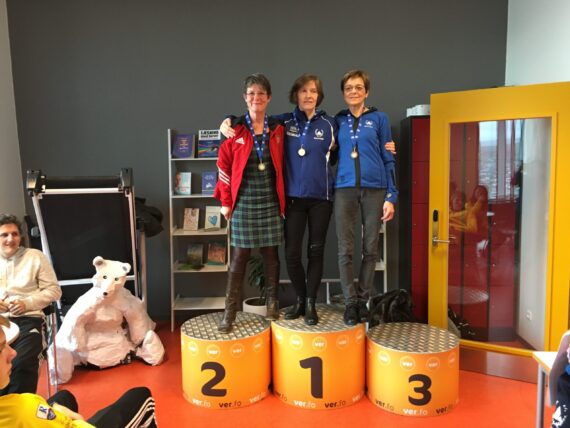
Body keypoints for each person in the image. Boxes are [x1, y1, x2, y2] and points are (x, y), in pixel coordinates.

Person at [214, 73, 286, 333]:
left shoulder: (278, 128)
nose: (256, 98)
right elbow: (223, 166)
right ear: (245, 98)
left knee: (271, 255)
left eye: (261, 93)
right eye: (252, 93)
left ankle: (272, 305)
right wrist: (226, 202)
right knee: (239, 257)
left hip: (270, 200)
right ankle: (229, 312)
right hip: (243, 202)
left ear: (269, 98)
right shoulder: (233, 129)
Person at [0, 315, 157, 427]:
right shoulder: (23, 410)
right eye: (1, 348)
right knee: (141, 396)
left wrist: (53, 410)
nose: (13, 353)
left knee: (64, 397)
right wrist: (74, 420)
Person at [334, 70, 398, 326]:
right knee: (345, 249)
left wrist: (392, 195)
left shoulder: (380, 119)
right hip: (344, 188)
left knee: (371, 249)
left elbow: (388, 157)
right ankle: (350, 303)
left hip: (375, 189)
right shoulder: (337, 120)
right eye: (349, 87)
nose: (353, 91)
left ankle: (363, 300)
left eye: (358, 87)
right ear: (343, 93)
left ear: (366, 91)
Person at [0, 213, 62, 394]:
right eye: (4, 235)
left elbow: (54, 290)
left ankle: (20, 406)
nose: (10, 239)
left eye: (15, 234)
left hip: (29, 320)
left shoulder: (35, 256)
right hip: (1, 322)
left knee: (21, 363)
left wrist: (26, 303)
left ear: (20, 236)